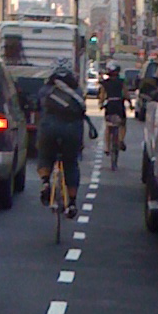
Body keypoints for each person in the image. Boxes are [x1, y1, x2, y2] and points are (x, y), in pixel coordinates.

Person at [37, 60, 95, 215]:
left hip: (49, 129)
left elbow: (38, 109)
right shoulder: (77, 91)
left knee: (45, 155)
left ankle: (45, 182)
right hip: (71, 131)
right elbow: (81, 113)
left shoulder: (45, 89)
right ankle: (72, 203)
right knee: (71, 163)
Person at [101, 61, 127, 155]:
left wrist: (101, 104)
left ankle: (107, 148)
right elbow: (126, 93)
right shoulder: (121, 82)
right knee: (122, 123)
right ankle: (121, 140)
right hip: (119, 104)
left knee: (108, 126)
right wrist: (129, 102)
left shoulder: (105, 83)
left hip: (110, 105)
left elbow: (102, 95)